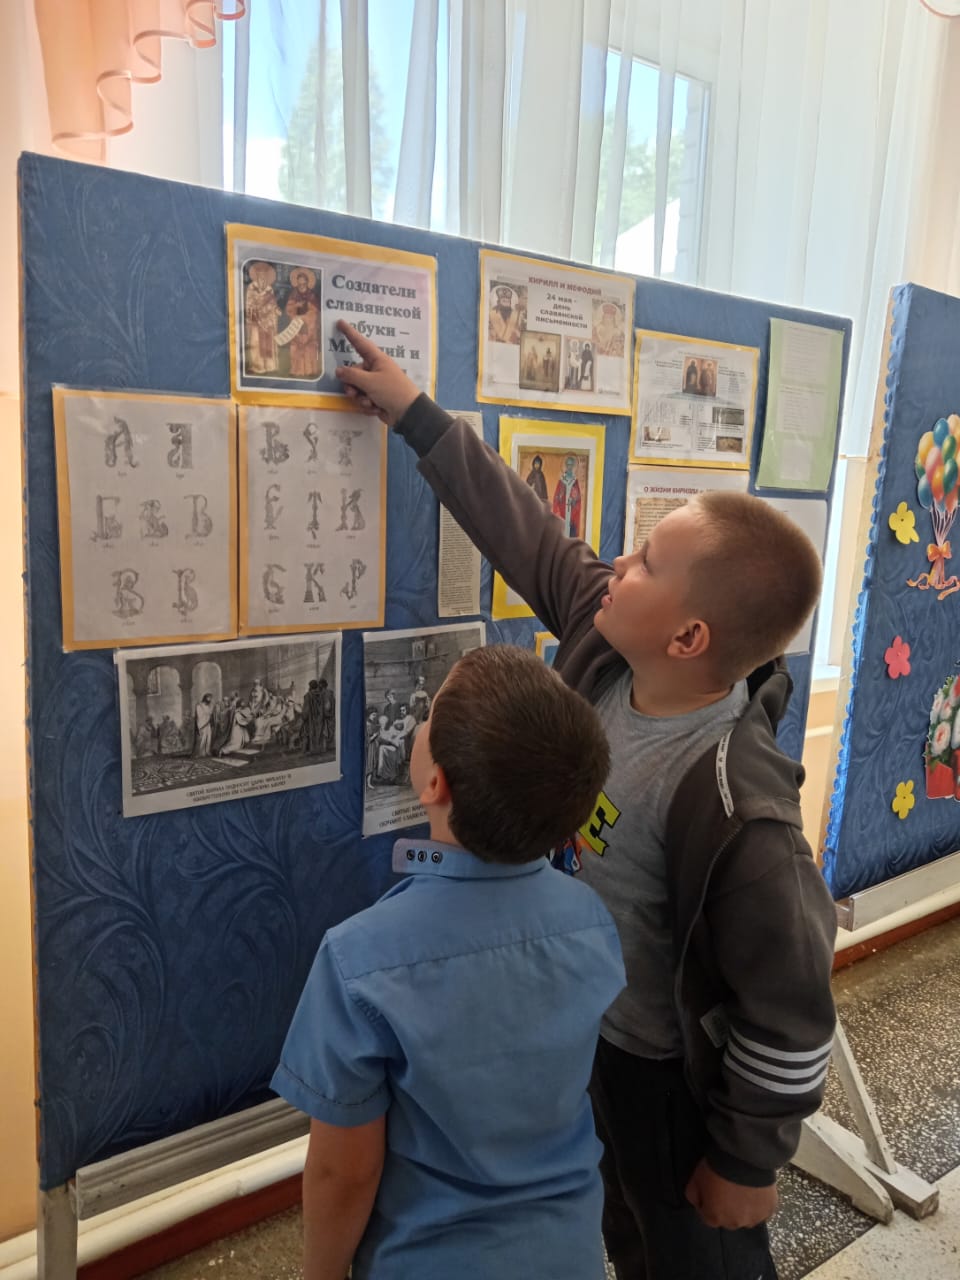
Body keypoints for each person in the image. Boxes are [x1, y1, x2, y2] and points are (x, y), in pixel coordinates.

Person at [332, 320, 838, 1280]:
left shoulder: (740, 809)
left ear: (688, 639)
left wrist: (746, 1160)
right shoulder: (608, 648)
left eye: (644, 561)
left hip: (667, 1076)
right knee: (619, 1229)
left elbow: (794, 1005)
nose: (615, 565)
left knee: (694, 1249)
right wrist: (416, 415)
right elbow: (526, 531)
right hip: (582, 1029)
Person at [273, 645, 625, 1280]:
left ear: (435, 782)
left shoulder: (358, 962)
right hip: (568, 1252)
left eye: (429, 716)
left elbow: (343, 1172)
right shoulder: (591, 919)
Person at [284, 267, 321, 378]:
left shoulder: (312, 295)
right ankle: (296, 370)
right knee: (295, 346)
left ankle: (310, 370)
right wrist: (296, 306)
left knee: (309, 346)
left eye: (303, 284)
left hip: (308, 325)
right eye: (299, 284)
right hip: (296, 324)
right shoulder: (294, 294)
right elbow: (289, 309)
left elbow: (314, 311)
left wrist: (304, 318)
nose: (301, 286)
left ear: (307, 283)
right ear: (297, 283)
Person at [244, 260, 280, 374]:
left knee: (268, 343)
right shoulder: (251, 287)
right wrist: (255, 312)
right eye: (260, 273)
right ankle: (258, 366)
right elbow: (249, 304)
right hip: (256, 319)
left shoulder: (270, 289)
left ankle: (269, 366)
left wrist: (276, 310)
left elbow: (273, 304)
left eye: (264, 274)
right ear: (256, 275)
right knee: (256, 342)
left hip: (268, 321)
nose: (262, 276)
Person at [552, 454, 582, 537]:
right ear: (565, 465)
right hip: (562, 513)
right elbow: (556, 498)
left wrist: (574, 501)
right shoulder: (561, 481)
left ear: (573, 466)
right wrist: (560, 498)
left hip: (572, 514)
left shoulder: (575, 482)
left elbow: (578, 499)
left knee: (570, 536)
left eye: (571, 465)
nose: (569, 466)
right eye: (568, 464)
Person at [301, 679, 326, 755]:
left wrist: (304, 717)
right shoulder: (321, 694)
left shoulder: (308, 696)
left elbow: (306, 709)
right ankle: (319, 749)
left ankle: (312, 750)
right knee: (319, 733)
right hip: (320, 718)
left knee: (310, 733)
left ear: (310, 686)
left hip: (311, 719)